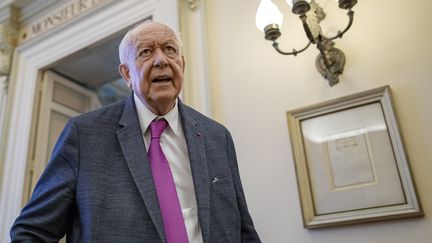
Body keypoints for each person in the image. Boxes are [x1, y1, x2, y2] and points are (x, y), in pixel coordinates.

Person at [10, 21, 261, 242]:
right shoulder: (84, 134)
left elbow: (243, 231)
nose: (162, 60)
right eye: (146, 52)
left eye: (170, 50)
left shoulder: (217, 137)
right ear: (127, 74)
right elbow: (31, 233)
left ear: (181, 65)